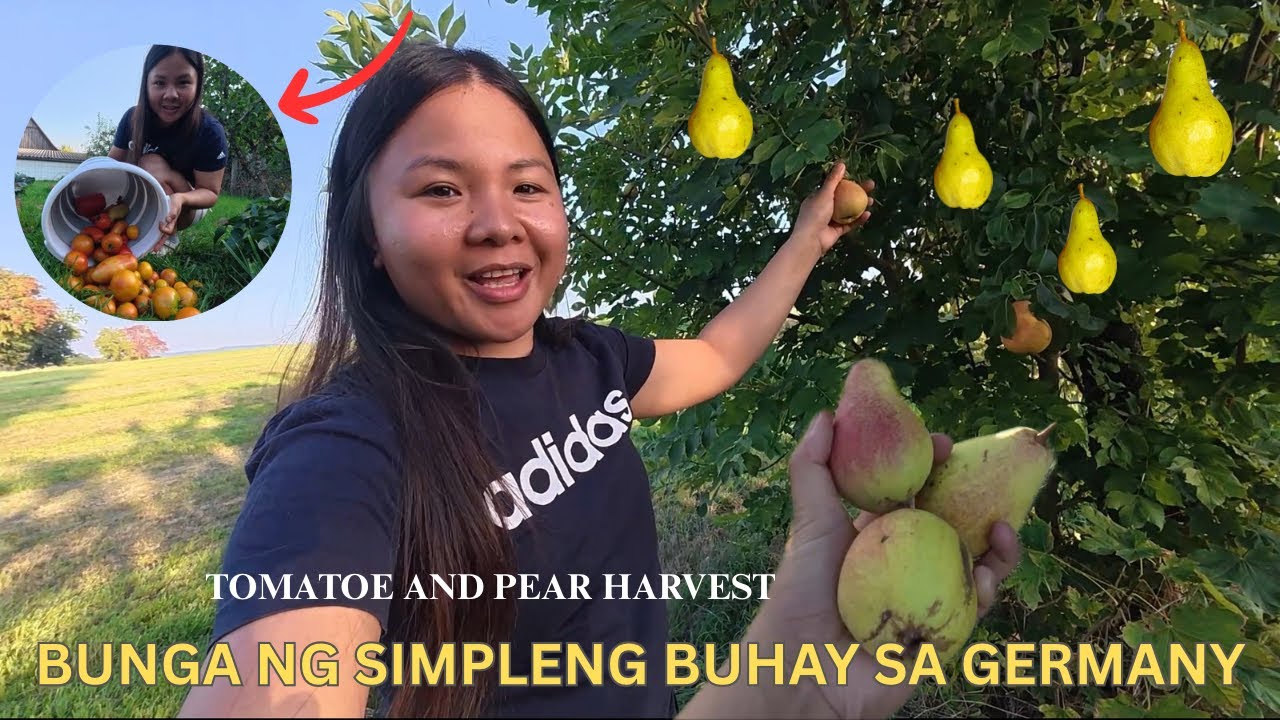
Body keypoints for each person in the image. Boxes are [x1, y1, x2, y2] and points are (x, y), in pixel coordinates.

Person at [178, 40, 1020, 718]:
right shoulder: (346, 447)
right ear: (367, 231)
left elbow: (719, 355)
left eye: (527, 185)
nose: (498, 224)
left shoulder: (591, 361)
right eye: (441, 188)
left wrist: (806, 242)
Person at [107, 44, 228, 252]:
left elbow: (210, 193)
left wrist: (179, 198)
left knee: (150, 162)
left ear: (198, 83)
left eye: (183, 82)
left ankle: (168, 237)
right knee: (137, 167)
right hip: (147, 192)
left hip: (188, 202)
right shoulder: (133, 119)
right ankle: (142, 224)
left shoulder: (209, 131)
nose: (171, 94)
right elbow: (111, 165)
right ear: (146, 84)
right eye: (159, 83)